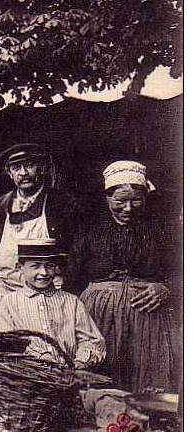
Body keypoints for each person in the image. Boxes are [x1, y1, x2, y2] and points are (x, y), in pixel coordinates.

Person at [67, 161, 179, 392]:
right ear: (107, 198)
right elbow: (72, 276)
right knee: (101, 378)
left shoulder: (162, 229)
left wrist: (167, 288)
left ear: (146, 199)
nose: (128, 208)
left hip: (148, 321)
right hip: (97, 318)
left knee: (146, 385)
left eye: (136, 200)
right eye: (120, 200)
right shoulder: (90, 229)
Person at [0, 143, 80, 315]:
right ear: (9, 172)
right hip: (4, 288)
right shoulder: (1, 204)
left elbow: (77, 247)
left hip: (45, 287)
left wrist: (62, 269)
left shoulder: (60, 202)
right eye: (16, 167)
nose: (23, 173)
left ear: (41, 167)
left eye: (29, 165)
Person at [0, 239, 105, 369]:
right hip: (26, 377)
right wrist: (39, 356)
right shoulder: (8, 304)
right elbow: (6, 342)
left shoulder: (72, 302)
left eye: (49, 266)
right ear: (20, 267)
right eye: (35, 266)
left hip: (69, 376)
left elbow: (92, 340)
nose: (44, 273)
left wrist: (80, 362)